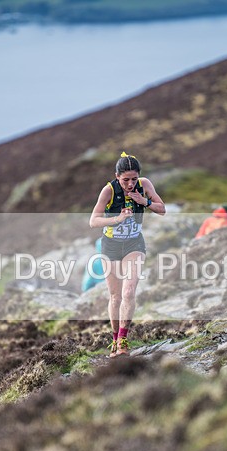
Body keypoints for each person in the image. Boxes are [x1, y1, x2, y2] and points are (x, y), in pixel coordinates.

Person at [89, 151, 165, 357]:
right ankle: (114, 339)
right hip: (111, 245)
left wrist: (144, 201)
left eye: (133, 179)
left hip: (134, 244)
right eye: (125, 180)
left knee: (129, 292)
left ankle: (123, 340)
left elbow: (162, 209)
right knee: (115, 296)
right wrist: (116, 220)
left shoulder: (144, 185)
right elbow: (93, 221)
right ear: (117, 176)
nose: (130, 184)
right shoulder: (109, 191)